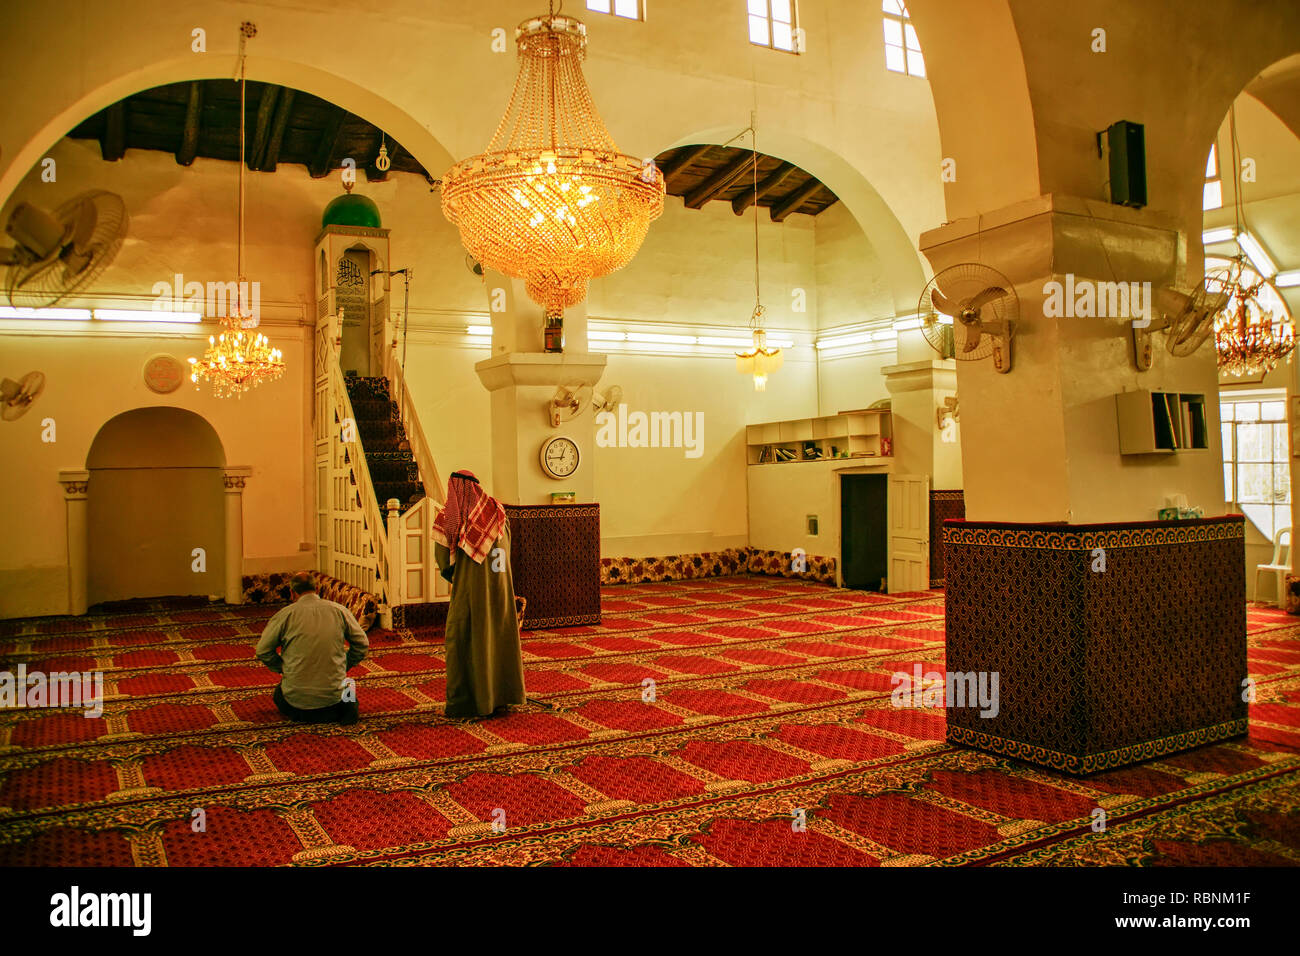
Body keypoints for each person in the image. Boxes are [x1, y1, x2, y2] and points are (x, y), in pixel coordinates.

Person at [432, 470, 526, 719]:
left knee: (466, 641)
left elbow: (444, 562)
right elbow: (507, 551)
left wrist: (461, 575)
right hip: (501, 590)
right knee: (498, 639)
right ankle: (502, 698)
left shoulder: (451, 517)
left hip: (470, 592)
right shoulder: (498, 512)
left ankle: (470, 703)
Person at [254, 571, 369, 725]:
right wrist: (345, 664)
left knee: (279, 693)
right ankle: (347, 713)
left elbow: (262, 650)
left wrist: (282, 667)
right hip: (334, 701)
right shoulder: (339, 611)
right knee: (348, 687)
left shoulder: (285, 615)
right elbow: (362, 644)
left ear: (292, 593)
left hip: (296, 703)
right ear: (317, 589)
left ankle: (301, 714)